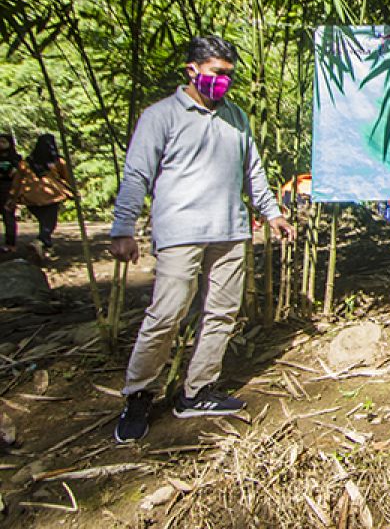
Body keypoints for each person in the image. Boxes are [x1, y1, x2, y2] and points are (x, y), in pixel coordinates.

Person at [111, 36, 296, 444]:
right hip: (180, 233)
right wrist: (122, 228)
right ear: (192, 70)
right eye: (217, 73)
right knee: (167, 314)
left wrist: (273, 213)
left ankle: (198, 391)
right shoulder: (160, 116)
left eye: (229, 74)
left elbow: (254, 172)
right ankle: (138, 394)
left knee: (222, 313)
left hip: (230, 231)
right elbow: (137, 174)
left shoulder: (236, 117)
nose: (224, 82)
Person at [7, 134, 73, 251]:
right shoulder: (58, 162)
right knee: (49, 224)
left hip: (30, 197)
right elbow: (67, 177)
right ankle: (40, 241)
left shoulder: (26, 163)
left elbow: (17, 182)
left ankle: (45, 247)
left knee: (44, 222)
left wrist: (12, 198)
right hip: (51, 196)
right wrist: (72, 191)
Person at [0, 134, 21, 251]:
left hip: (9, 190)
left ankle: (10, 243)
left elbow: (16, 173)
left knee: (8, 216)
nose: (1, 144)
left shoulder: (15, 158)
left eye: (3, 142)